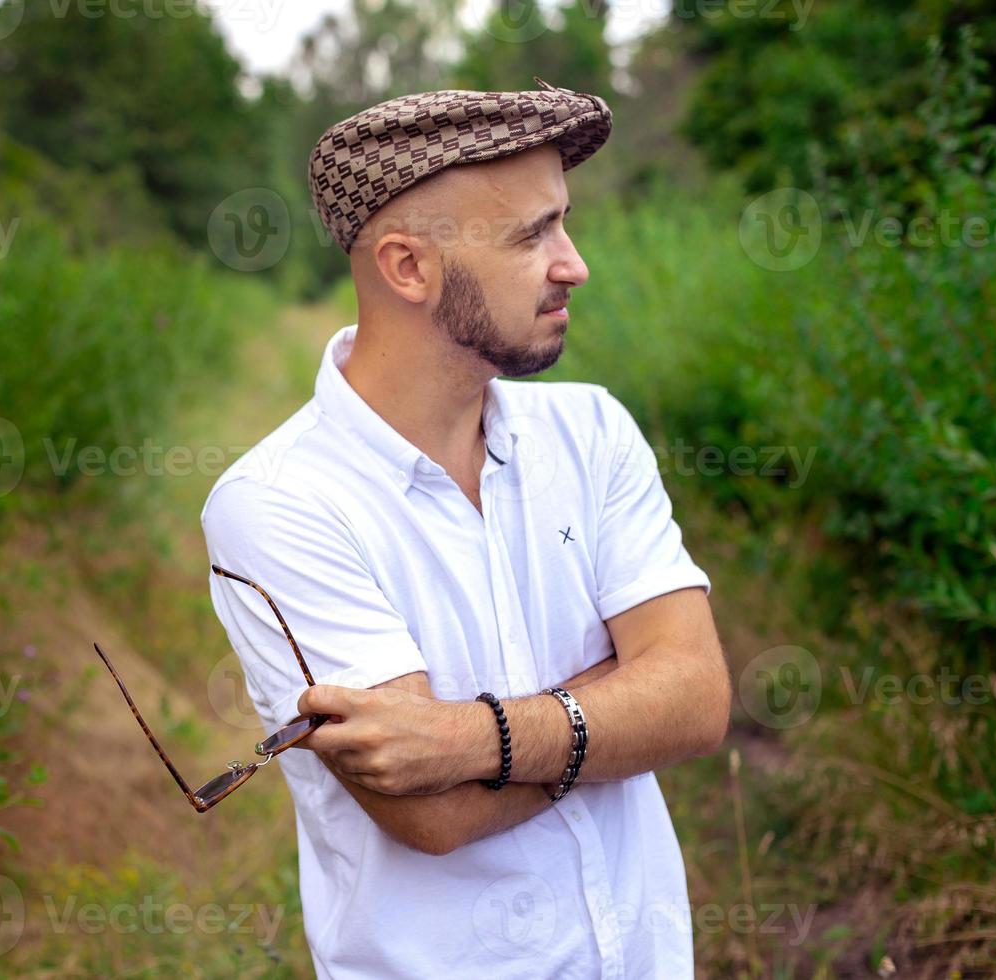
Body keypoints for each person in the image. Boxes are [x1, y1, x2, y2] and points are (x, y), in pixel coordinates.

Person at [201, 79, 731, 979]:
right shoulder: (278, 504)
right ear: (408, 268)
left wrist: (469, 740)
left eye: (562, 221)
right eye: (532, 235)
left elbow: (698, 699)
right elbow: (430, 816)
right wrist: (621, 689)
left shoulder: (593, 432)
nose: (575, 264)